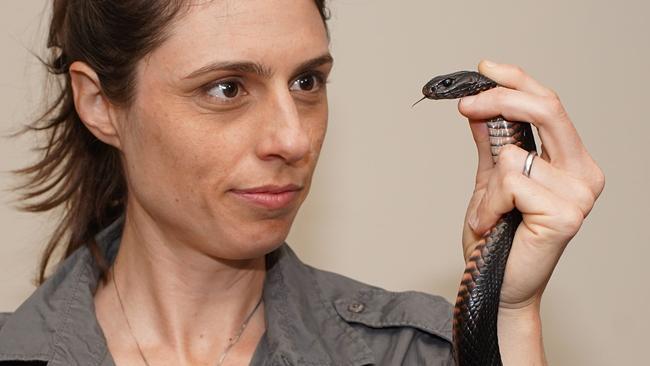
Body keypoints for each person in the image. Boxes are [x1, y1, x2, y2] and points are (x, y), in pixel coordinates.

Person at [0, 0, 604, 365]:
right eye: (227, 88)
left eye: (307, 82)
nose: (292, 140)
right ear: (100, 103)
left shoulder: (413, 353)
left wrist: (507, 310)